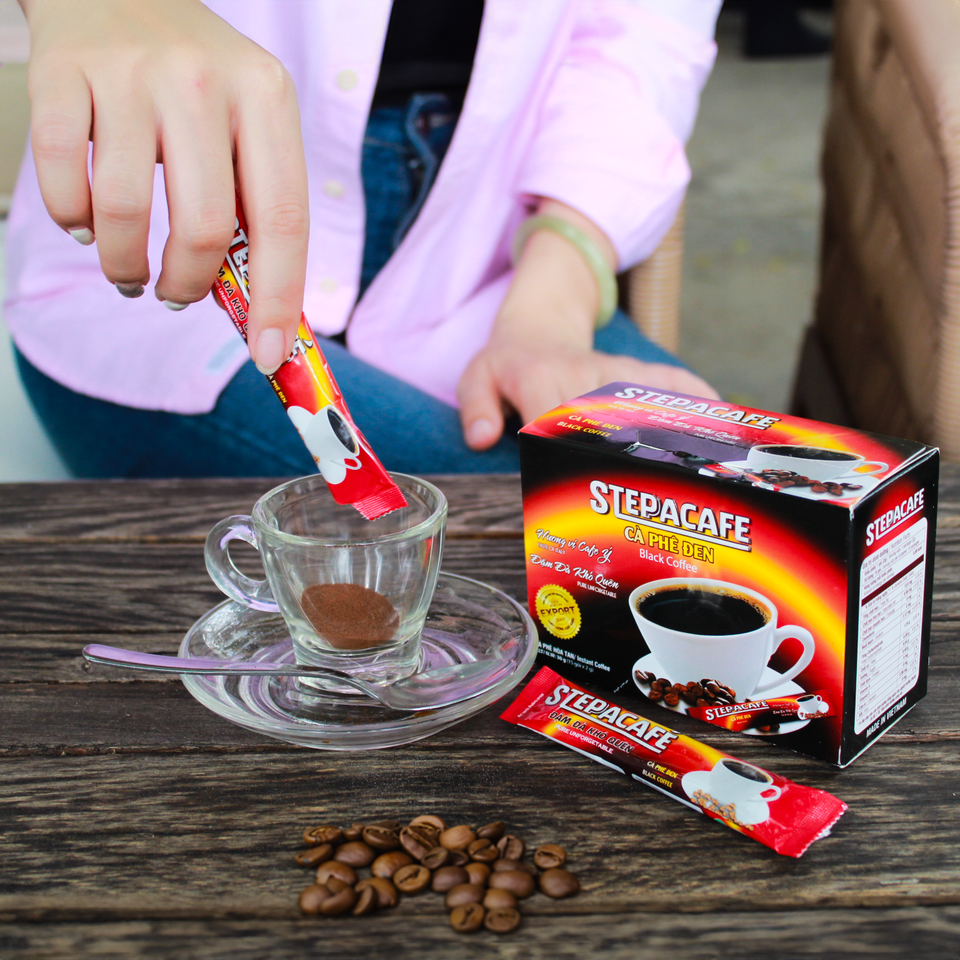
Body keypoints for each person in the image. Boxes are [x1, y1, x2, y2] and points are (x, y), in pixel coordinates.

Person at [7, 0, 721, 478]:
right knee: (538, 528)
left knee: (704, 509)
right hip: (174, 262)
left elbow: (637, 43)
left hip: (485, 251)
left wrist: (549, 308)